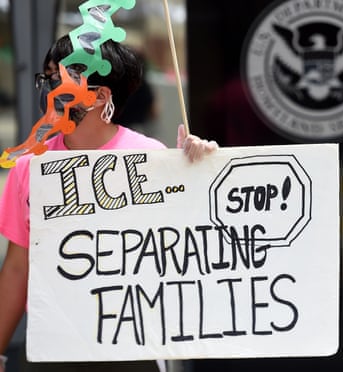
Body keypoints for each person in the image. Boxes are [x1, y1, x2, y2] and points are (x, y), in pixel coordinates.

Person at [0, 35, 218, 372]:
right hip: (52, 348)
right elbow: (17, 267)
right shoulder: (29, 165)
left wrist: (196, 171)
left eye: (61, 78)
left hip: (131, 348)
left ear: (101, 96)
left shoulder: (150, 158)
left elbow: (188, 247)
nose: (48, 88)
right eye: (46, 77)